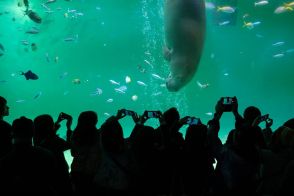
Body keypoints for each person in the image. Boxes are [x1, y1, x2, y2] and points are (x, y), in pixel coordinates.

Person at [0, 116, 59, 194]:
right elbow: (54, 182)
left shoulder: (4, 161)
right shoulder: (47, 155)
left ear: (12, 133)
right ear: (33, 133)